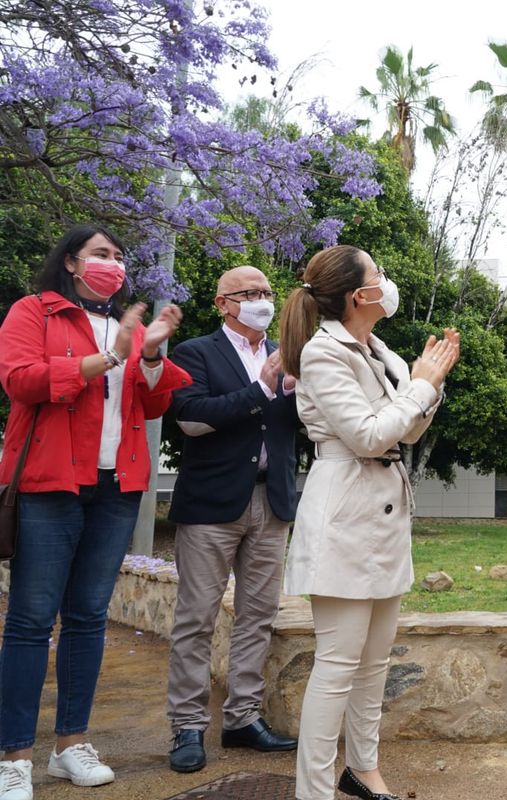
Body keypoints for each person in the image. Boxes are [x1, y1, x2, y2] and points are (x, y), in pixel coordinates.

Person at [0, 224, 188, 800]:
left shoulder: (129, 329)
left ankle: (70, 745)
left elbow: (155, 401)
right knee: (31, 622)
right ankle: (14, 756)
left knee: (87, 617)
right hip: (50, 484)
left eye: (118, 256)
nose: (113, 263)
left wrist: (150, 353)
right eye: (100, 254)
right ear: (73, 263)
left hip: (117, 488)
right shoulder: (35, 312)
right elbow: (21, 380)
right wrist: (109, 356)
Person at [278, 245, 459, 800]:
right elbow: (365, 435)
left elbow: (405, 433)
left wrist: (429, 380)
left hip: (384, 515)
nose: (387, 281)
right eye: (379, 274)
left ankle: (362, 770)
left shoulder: (381, 351)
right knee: (337, 666)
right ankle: (312, 791)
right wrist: (422, 386)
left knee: (374, 662)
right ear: (360, 294)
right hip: (344, 516)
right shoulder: (321, 354)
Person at [164, 267, 303, 773]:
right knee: (196, 619)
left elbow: (303, 423)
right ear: (224, 303)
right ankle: (187, 726)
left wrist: (295, 387)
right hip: (211, 505)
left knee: (258, 616)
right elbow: (191, 418)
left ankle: (243, 718)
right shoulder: (195, 353)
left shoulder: (288, 351)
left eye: (267, 292)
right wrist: (263, 389)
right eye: (249, 293)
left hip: (274, 500)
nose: (262, 300)